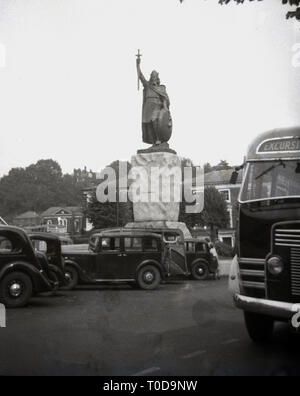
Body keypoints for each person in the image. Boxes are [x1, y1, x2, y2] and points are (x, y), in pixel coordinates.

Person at [136, 57, 172, 145]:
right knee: (149, 124)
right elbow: (140, 76)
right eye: (152, 76)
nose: (153, 77)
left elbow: (165, 98)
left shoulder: (161, 88)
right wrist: (137, 65)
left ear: (157, 78)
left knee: (155, 121)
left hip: (157, 105)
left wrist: (164, 107)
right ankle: (154, 142)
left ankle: (159, 139)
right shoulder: (147, 85)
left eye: (155, 76)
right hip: (148, 107)